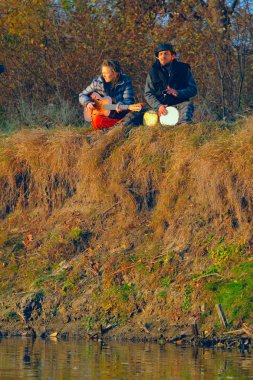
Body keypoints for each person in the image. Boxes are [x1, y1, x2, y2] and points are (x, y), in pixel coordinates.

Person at [144, 43, 197, 124]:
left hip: (180, 106)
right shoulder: (152, 72)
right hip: (161, 108)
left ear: (173, 56)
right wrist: (158, 106)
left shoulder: (184, 69)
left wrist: (178, 93)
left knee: (186, 114)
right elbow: (148, 94)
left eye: (166, 53)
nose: (163, 56)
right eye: (160, 54)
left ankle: (184, 130)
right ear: (158, 56)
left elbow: (193, 89)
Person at [79, 59, 135, 130]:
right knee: (97, 120)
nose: (103, 75)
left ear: (115, 73)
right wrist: (88, 103)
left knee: (136, 110)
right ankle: (121, 126)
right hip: (104, 116)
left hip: (120, 112)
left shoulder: (126, 81)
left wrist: (121, 104)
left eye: (106, 73)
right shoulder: (97, 82)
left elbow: (129, 100)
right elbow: (82, 95)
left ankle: (117, 126)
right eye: (103, 73)